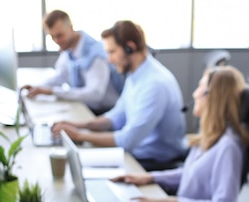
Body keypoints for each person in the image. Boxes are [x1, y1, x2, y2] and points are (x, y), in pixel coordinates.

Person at [112, 65, 249, 202]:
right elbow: (191, 173)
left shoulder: (228, 147)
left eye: (200, 88)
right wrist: (150, 177)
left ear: (213, 97)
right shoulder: (211, 136)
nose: (195, 93)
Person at [51, 20, 187, 171]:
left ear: (130, 48)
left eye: (112, 52)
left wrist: (79, 136)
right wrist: (78, 125)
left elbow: (128, 139)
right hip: (137, 154)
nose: (109, 59)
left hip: (155, 162)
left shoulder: (154, 84)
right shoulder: (136, 74)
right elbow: (117, 116)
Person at [21, 10, 120, 115]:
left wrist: (52, 91)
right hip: (85, 107)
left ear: (71, 28)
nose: (56, 40)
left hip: (105, 112)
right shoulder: (68, 50)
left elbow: (94, 94)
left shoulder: (96, 55)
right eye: (52, 36)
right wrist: (37, 88)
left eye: (59, 35)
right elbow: (60, 76)